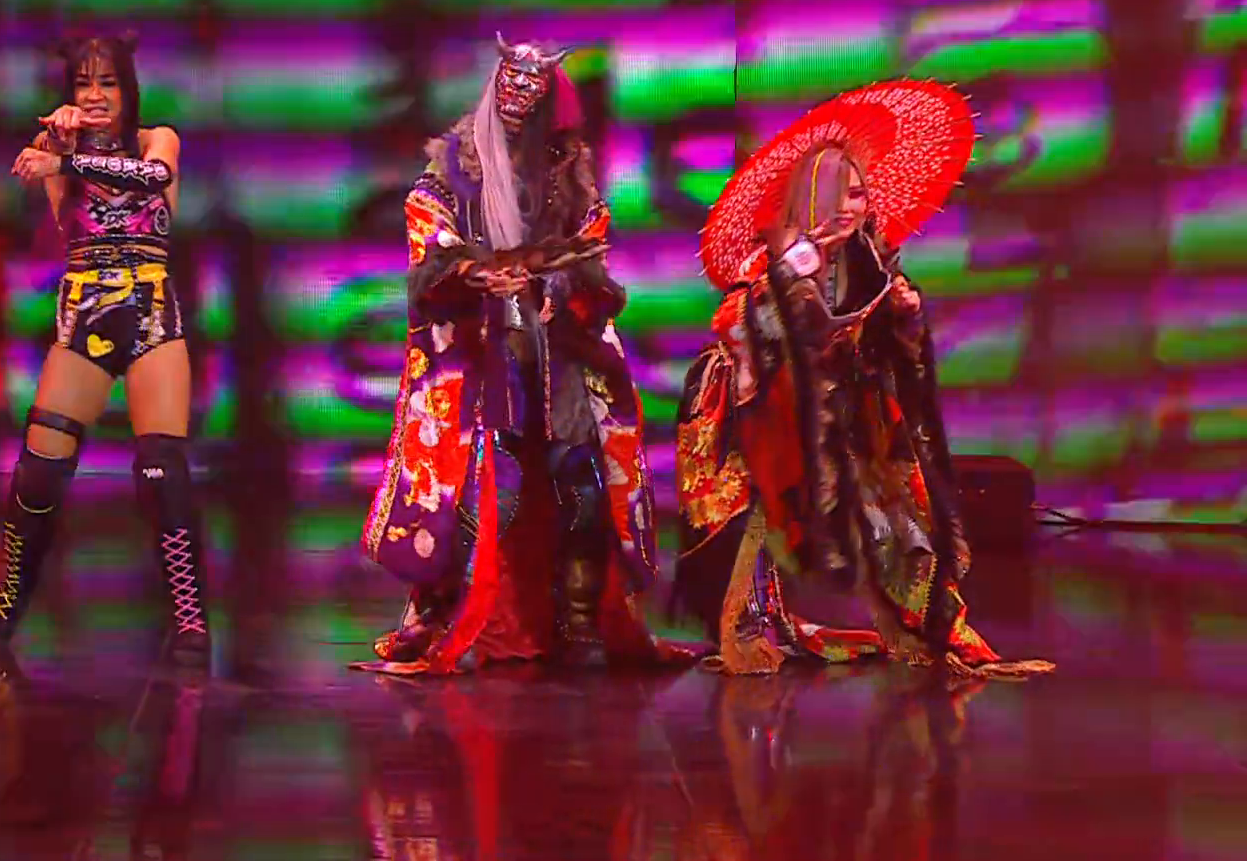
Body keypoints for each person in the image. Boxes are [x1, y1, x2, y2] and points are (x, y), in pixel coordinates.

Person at [672, 80, 1053, 679]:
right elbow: (740, 328)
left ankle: (932, 630)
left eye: (858, 193)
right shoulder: (775, 256)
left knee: (896, 516)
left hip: (841, 402)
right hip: (762, 406)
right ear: (812, 197)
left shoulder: (870, 257)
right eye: (840, 194)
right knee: (756, 516)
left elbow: (883, 350)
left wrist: (904, 318)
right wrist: (793, 280)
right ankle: (746, 626)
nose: (852, 207)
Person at [355, 34, 698, 674]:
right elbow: (430, 242)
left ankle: (578, 625)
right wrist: (472, 273)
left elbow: (591, 251)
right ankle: (465, 614)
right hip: (485, 351)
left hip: (558, 347)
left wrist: (560, 280)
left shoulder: (567, 173)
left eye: (530, 92)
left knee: (581, 479)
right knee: (486, 488)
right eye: (509, 88)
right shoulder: (453, 172)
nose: (516, 104)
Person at [0, 33, 208, 667]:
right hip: (84, 312)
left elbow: (156, 178)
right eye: (83, 83)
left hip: (150, 311)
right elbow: (44, 168)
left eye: (107, 82)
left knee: (162, 469)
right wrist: (58, 147)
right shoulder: (57, 149)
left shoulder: (157, 139)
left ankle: (190, 617)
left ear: (128, 90)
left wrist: (66, 163)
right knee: (38, 470)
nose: (96, 95)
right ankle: (10, 597)